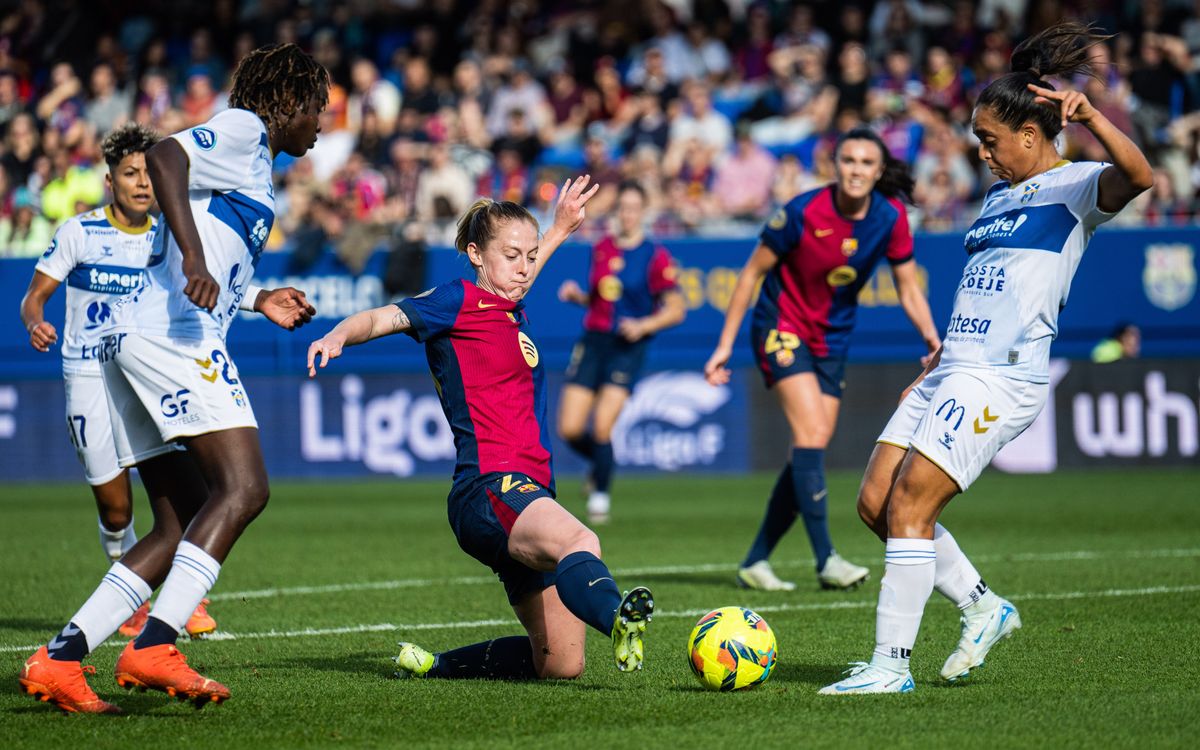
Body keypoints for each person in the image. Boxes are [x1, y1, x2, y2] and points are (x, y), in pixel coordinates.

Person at [821, 23, 1152, 695]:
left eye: (990, 140)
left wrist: (1092, 119)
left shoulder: (1079, 187)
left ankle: (891, 667)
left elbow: (1143, 176)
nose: (982, 152)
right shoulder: (1001, 194)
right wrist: (943, 354)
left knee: (911, 504)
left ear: (1031, 136)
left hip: (1001, 377)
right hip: (954, 365)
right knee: (876, 503)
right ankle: (982, 606)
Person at [19, 43, 328, 714]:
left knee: (177, 520)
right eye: (318, 109)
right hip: (173, 339)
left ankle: (61, 659)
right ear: (290, 102)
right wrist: (192, 251)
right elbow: (164, 155)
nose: (322, 125)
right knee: (244, 488)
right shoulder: (247, 131)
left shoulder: (251, 164)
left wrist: (254, 297)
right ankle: (156, 643)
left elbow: (208, 252)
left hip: (136, 338)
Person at [306, 178, 657, 682]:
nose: (523, 267)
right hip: (489, 487)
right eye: (511, 255)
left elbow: (520, 279)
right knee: (581, 540)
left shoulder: (509, 306)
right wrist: (341, 333)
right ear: (475, 254)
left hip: (529, 492)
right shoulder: (456, 300)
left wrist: (559, 229)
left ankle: (434, 665)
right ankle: (616, 617)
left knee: (561, 664)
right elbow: (385, 316)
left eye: (530, 256)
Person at [704, 127, 941, 592]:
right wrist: (724, 345)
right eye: (848, 160)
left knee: (810, 449)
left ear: (878, 171)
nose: (856, 170)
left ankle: (756, 560)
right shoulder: (803, 210)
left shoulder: (890, 217)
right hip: (780, 326)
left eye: (866, 163)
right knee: (810, 434)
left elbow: (909, 286)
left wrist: (933, 340)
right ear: (836, 166)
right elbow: (751, 274)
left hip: (831, 339)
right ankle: (826, 559)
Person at [19, 123, 215, 640]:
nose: (143, 182)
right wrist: (35, 320)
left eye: (150, 173)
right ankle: (128, 582)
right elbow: (33, 297)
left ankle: (177, 593)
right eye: (130, 173)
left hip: (146, 377)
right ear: (110, 181)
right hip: (87, 375)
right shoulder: (79, 233)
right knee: (117, 506)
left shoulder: (168, 236)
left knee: (176, 493)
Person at [557, 181, 687, 523]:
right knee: (569, 428)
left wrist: (644, 325)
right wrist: (578, 298)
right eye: (622, 208)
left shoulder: (655, 256)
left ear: (643, 212)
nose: (627, 215)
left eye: (633, 208)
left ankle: (600, 496)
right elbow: (601, 298)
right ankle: (600, 464)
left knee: (602, 427)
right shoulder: (602, 247)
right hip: (594, 339)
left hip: (627, 346)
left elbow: (676, 309)